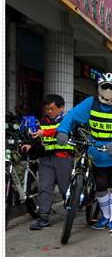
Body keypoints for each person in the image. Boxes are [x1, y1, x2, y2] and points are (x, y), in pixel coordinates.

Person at [56, 72, 112, 234]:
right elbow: (72, 115)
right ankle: (106, 216)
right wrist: (62, 130)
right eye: (105, 86)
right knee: (101, 187)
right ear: (99, 87)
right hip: (96, 152)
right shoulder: (91, 102)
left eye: (111, 87)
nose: (108, 90)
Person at [22, 94, 74, 230]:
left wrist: (44, 132)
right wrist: (30, 144)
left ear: (61, 107)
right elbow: (37, 135)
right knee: (45, 187)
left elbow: (59, 130)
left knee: (64, 187)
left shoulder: (67, 119)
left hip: (63, 157)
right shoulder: (43, 120)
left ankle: (72, 206)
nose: (49, 111)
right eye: (47, 109)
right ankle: (43, 218)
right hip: (46, 158)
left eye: (52, 108)